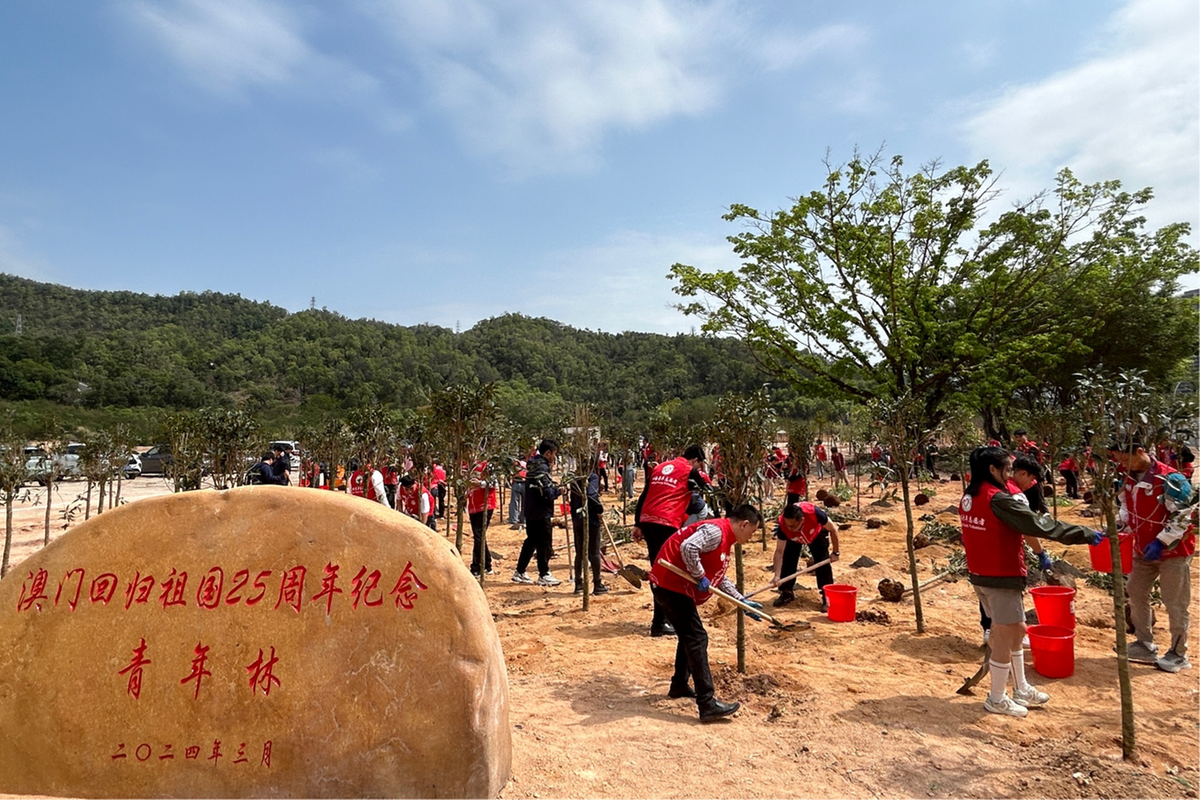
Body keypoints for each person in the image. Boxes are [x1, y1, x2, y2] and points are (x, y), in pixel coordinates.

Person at [960, 446, 1102, 717]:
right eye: (1007, 468)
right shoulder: (999, 499)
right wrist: (1084, 533)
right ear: (993, 470)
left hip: (982, 574)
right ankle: (997, 697)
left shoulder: (969, 496)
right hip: (1000, 576)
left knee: (1017, 630)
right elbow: (1039, 525)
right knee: (1004, 637)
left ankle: (1021, 687)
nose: (1010, 474)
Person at [648, 504, 763, 722]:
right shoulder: (716, 531)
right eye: (752, 532)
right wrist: (699, 575)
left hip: (670, 587)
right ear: (744, 524)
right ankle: (707, 703)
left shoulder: (724, 537)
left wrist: (741, 601)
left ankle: (680, 685)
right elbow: (688, 547)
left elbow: (719, 576)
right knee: (697, 637)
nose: (751, 537)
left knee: (688, 635)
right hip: (669, 586)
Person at [1106, 441, 1195, 672]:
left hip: (1173, 552)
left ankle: (1178, 652)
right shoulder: (1128, 477)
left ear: (1140, 451)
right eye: (1118, 460)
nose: (1122, 464)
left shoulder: (1170, 479)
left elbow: (1184, 515)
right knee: (1135, 591)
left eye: (1125, 458)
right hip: (1142, 549)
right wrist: (1121, 524)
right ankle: (1144, 642)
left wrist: (1161, 541)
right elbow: (1126, 505)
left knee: (1175, 602)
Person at [632, 444, 710, 637]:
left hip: (648, 521)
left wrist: (637, 523)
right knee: (666, 574)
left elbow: (644, 495)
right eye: (700, 464)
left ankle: (662, 620)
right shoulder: (690, 471)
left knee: (658, 568)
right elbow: (708, 487)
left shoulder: (659, 467)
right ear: (695, 460)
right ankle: (660, 623)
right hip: (667, 522)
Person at [770, 501, 840, 610]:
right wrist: (777, 576)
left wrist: (836, 552)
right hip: (794, 538)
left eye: (793, 526)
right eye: (787, 525)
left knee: (822, 562)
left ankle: (827, 596)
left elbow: (833, 529)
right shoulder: (784, 526)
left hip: (816, 533)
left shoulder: (815, 513)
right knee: (788, 560)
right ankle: (786, 592)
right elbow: (779, 551)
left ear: (802, 520)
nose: (790, 528)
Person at [513, 439, 563, 587]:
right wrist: (558, 491)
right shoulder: (541, 468)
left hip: (531, 510)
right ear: (547, 453)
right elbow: (546, 493)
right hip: (541, 511)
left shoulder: (533, 465)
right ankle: (544, 573)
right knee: (544, 543)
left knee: (532, 541)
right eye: (554, 454)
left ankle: (520, 571)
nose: (554, 457)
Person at [569, 458, 608, 595]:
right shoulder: (592, 477)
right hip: (590, 520)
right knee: (594, 552)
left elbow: (572, 502)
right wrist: (598, 509)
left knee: (580, 552)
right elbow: (591, 496)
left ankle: (579, 584)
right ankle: (597, 584)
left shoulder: (574, 479)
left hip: (577, 520)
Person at [466, 459, 499, 576]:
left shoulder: (488, 464)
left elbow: (494, 483)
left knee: (478, 536)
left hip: (485, 505)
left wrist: (480, 484)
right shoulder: (468, 466)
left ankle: (476, 567)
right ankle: (486, 564)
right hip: (472, 506)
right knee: (479, 536)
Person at [508, 458, 526, 529]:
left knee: (514, 502)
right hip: (524, 483)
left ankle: (513, 519)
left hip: (517, 483)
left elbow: (511, 474)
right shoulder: (526, 465)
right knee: (524, 502)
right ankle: (523, 519)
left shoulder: (514, 465)